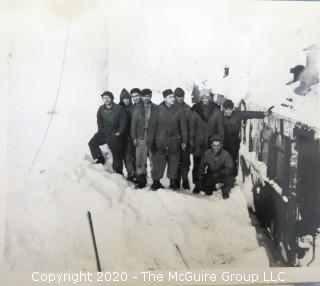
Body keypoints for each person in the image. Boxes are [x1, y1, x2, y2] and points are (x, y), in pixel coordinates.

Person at [148, 89, 188, 191]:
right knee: (158, 162)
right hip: (160, 141)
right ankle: (156, 182)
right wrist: (151, 142)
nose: (173, 99)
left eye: (173, 97)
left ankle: (173, 183)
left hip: (174, 141)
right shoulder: (157, 109)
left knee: (174, 162)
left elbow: (183, 125)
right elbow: (152, 127)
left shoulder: (179, 109)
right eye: (170, 97)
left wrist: (184, 140)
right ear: (165, 98)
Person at [222, 99, 273, 175]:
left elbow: (250, 114)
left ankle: (230, 179)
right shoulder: (219, 116)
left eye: (230, 109)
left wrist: (264, 114)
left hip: (234, 144)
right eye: (227, 109)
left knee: (232, 162)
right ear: (223, 109)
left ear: (232, 109)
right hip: (223, 144)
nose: (228, 111)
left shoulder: (237, 115)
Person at [191, 89, 224, 193]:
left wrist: (220, 142)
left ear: (209, 97)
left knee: (212, 165)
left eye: (206, 97)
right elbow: (191, 127)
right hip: (198, 142)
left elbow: (220, 127)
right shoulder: (195, 109)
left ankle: (210, 185)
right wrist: (191, 141)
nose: (204, 99)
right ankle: (197, 184)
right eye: (203, 97)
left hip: (212, 142)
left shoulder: (216, 109)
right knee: (197, 165)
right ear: (200, 98)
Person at [88, 91, 126, 174]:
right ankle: (99, 159)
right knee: (92, 143)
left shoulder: (119, 108)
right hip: (104, 133)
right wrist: (101, 131)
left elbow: (123, 122)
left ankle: (118, 172)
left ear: (112, 98)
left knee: (116, 154)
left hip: (115, 134)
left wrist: (119, 132)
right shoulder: (101, 109)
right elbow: (99, 121)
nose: (107, 100)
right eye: (104, 98)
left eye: (108, 97)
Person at [131, 88, 158, 188]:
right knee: (140, 159)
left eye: (148, 96)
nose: (147, 98)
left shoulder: (156, 108)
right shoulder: (137, 109)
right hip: (141, 137)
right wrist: (134, 137)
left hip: (152, 136)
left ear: (151, 96)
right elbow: (133, 125)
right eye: (144, 96)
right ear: (141, 97)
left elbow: (159, 124)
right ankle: (141, 180)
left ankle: (156, 181)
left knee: (153, 159)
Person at [195, 134, 234, 199]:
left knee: (229, 178)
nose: (216, 148)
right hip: (211, 174)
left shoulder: (226, 154)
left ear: (221, 145)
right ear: (211, 145)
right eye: (214, 145)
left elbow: (229, 168)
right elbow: (202, 165)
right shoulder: (207, 153)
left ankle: (225, 192)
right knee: (207, 190)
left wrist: (220, 173)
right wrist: (200, 174)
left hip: (222, 175)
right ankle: (206, 187)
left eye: (218, 146)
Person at [173, 87, 194, 190]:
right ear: (174, 96)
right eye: (178, 97)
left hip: (185, 141)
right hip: (174, 141)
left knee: (185, 161)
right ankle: (176, 181)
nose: (180, 99)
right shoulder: (171, 108)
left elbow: (191, 126)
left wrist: (189, 140)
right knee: (175, 161)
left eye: (182, 96)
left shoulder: (187, 109)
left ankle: (185, 180)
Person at [119, 88, 135, 181]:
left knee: (131, 154)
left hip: (132, 134)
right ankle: (130, 172)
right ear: (121, 99)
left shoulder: (133, 108)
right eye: (125, 99)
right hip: (122, 135)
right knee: (126, 155)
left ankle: (133, 172)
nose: (127, 100)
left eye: (128, 98)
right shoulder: (119, 108)